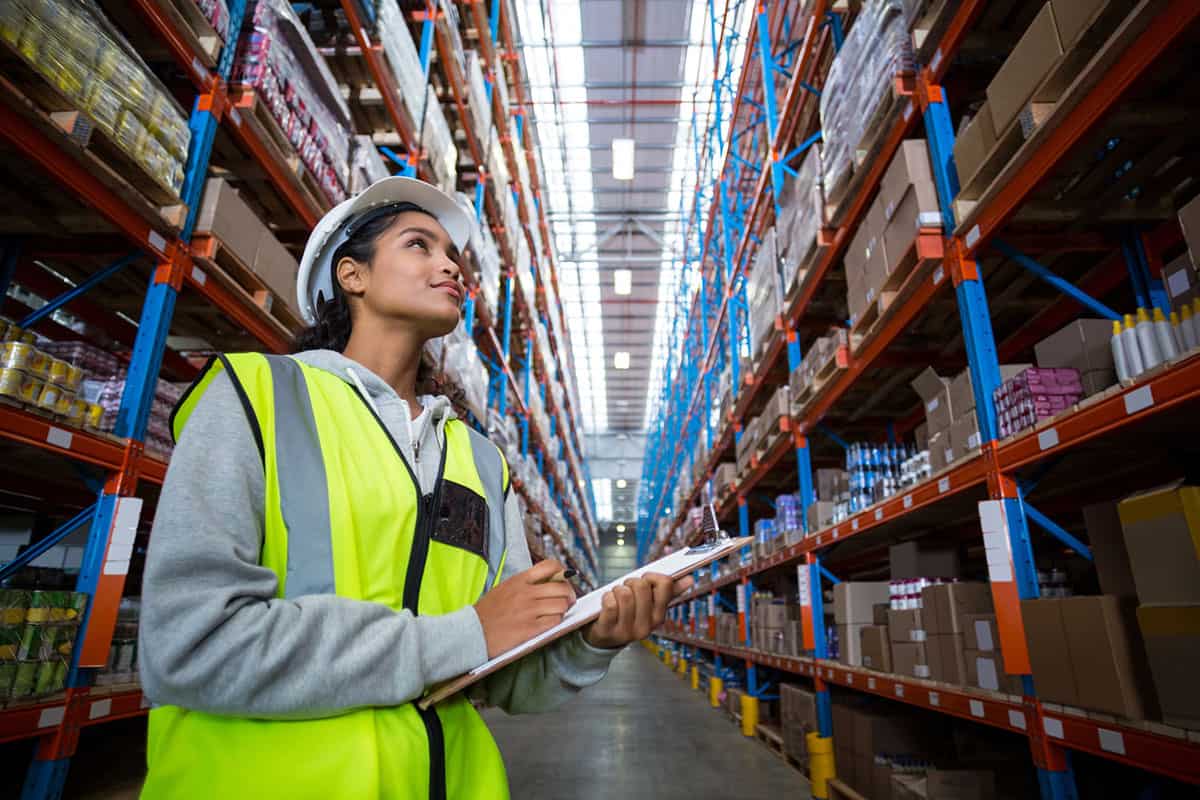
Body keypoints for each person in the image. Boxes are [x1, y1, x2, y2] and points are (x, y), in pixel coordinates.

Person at [138, 176, 692, 799]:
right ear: (353, 276)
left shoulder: (480, 461)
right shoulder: (255, 397)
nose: (449, 264)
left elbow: (504, 676)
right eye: (418, 245)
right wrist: (462, 634)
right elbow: (190, 644)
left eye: (452, 254)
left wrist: (590, 641)